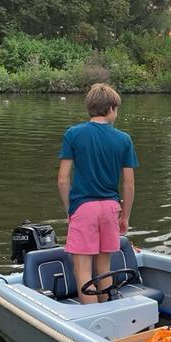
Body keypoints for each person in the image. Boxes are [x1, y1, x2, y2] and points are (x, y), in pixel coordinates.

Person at [57, 83, 139, 303]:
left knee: (82, 271)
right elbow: (129, 184)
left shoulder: (73, 134)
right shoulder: (123, 139)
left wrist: (70, 209)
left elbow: (63, 180)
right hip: (111, 208)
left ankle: (92, 318)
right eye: (117, 109)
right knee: (104, 269)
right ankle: (107, 312)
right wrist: (125, 216)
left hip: (84, 208)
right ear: (111, 109)